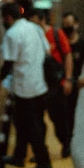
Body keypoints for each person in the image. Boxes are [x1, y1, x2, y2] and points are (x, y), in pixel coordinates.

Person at [0, 2, 53, 168]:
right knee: (23, 123)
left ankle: (44, 163)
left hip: (24, 89)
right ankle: (19, 157)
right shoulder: (35, 29)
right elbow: (47, 51)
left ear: (8, 18)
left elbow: (9, 62)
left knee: (31, 126)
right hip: (40, 85)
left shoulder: (12, 34)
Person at [29, 9, 73, 157]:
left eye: (34, 21)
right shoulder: (31, 36)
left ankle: (65, 144)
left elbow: (67, 56)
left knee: (58, 118)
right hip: (38, 84)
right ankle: (41, 153)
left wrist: (68, 79)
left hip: (56, 84)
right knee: (37, 121)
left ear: (42, 20)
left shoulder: (56, 34)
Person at [61, 12, 84, 144]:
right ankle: (63, 137)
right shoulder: (61, 40)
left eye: (70, 25)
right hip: (59, 83)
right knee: (59, 113)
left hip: (74, 83)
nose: (67, 27)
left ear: (77, 25)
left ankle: (67, 141)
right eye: (65, 25)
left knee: (70, 112)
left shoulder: (82, 44)